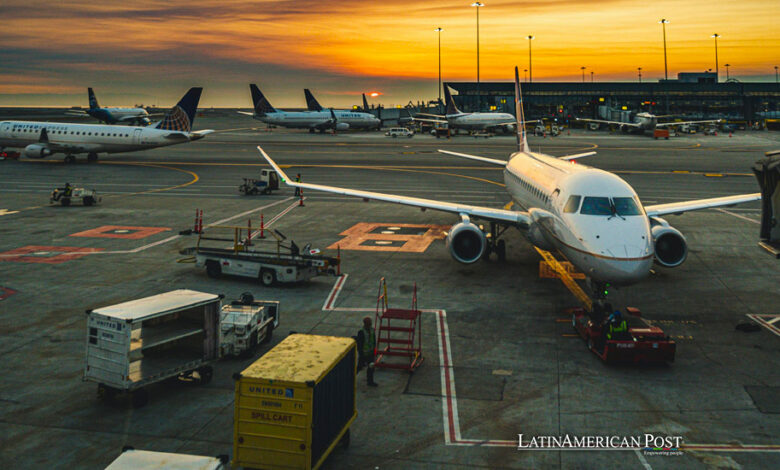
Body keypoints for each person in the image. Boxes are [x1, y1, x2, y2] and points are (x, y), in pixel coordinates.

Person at [356, 316, 378, 386]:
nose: (369, 325)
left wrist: (374, 351)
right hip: (364, 354)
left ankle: (370, 382)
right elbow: (359, 344)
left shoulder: (372, 330)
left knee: (371, 368)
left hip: (370, 353)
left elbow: (374, 341)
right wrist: (361, 353)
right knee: (359, 367)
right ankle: (351, 379)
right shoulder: (361, 332)